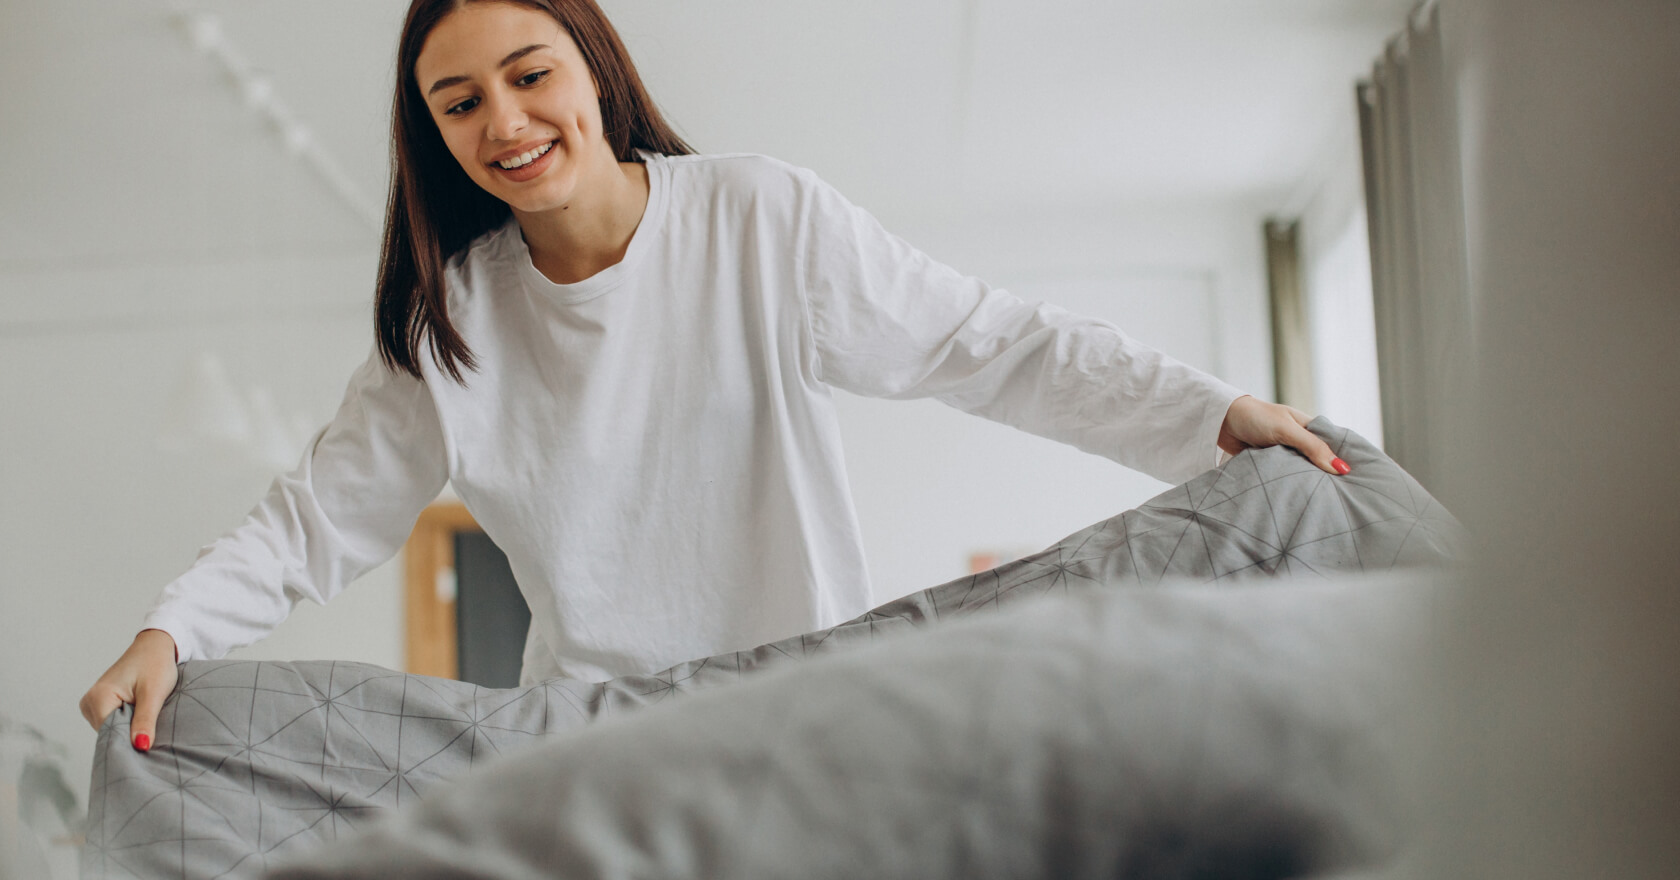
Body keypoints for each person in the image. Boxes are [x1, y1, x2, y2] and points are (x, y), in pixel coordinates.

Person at [79, 0, 1348, 751]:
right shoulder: (454, 316)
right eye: (459, 104)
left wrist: (1206, 414)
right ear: (433, 133)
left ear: (592, 67)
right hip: (595, 745)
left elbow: (991, 343)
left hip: (809, 716)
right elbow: (316, 518)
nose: (506, 125)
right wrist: (170, 627)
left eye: (530, 78)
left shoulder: (755, 218)